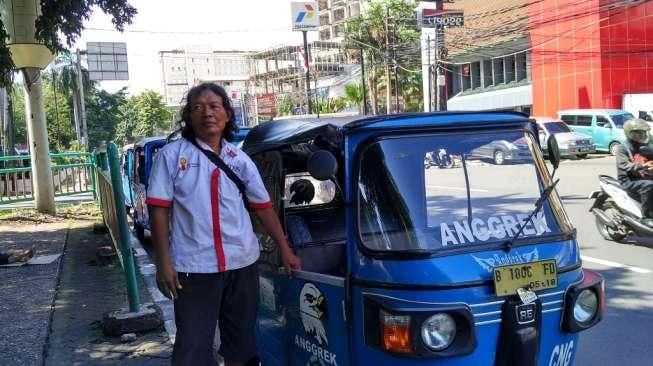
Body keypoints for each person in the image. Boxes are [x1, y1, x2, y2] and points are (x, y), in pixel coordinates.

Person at [146, 83, 301, 366]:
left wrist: (285, 248)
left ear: (227, 114)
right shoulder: (171, 157)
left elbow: (263, 208)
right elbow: (158, 211)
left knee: (240, 343)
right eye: (198, 107)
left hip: (241, 262)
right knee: (192, 346)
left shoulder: (239, 159)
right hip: (194, 268)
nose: (207, 113)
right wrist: (163, 264)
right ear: (188, 117)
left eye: (214, 106)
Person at [615, 118, 653, 225]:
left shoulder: (644, 146)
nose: (643, 135)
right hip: (628, 180)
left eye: (643, 132)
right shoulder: (622, 148)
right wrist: (642, 166)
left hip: (642, 176)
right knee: (649, 185)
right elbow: (624, 165)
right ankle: (646, 217)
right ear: (631, 133)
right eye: (639, 133)